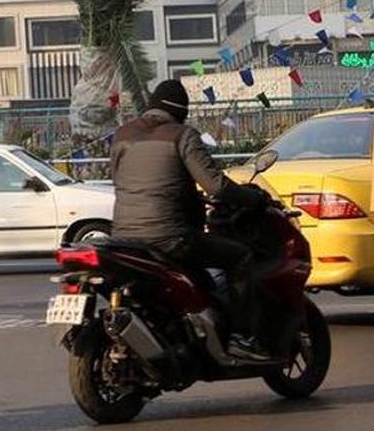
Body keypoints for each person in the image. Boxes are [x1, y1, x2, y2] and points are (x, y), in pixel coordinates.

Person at [110, 79, 270, 361]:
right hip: (170, 238)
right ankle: (242, 338)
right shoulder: (182, 136)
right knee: (242, 257)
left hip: (124, 240)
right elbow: (216, 186)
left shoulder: (122, 134)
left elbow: (118, 179)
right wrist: (253, 198)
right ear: (181, 110)